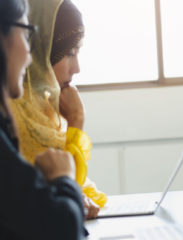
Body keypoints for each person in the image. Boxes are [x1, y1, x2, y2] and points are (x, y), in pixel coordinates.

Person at [10, 0, 106, 219]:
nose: (77, 68)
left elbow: (71, 188)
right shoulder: (15, 114)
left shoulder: (43, 109)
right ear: (41, 50)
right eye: (69, 53)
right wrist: (76, 119)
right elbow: (53, 209)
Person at [0, 0, 85, 239]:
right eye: (26, 36)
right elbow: (60, 227)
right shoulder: (14, 118)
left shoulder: (47, 109)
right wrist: (65, 183)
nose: (30, 55)